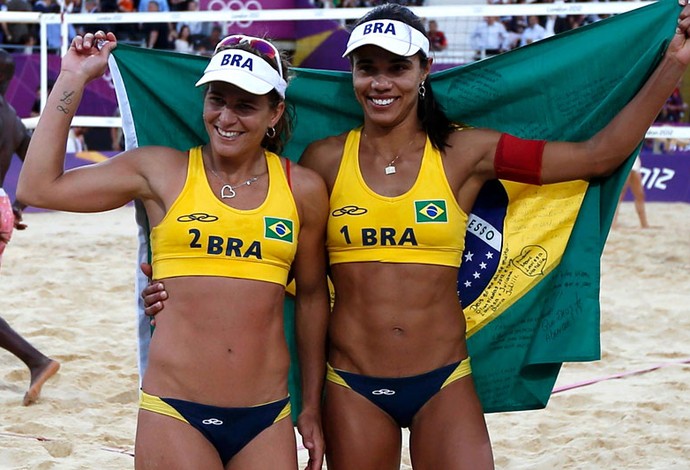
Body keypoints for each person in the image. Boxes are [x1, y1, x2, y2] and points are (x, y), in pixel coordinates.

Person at [143, 2, 690, 468]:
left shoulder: (465, 152)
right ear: (352, 74)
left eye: (396, 67)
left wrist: (673, 63)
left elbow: (597, 157)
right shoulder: (324, 161)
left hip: (444, 380)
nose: (380, 82)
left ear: (425, 69)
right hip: (351, 386)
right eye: (366, 68)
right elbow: (254, 233)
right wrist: (172, 282)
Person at [17, 31, 329, 469]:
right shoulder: (161, 171)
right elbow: (38, 187)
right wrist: (72, 76)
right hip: (175, 410)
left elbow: (313, 297)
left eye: (245, 105)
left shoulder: (304, 189)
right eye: (217, 99)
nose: (227, 117)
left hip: (268, 415)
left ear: (275, 111)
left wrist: (311, 406)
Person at [0, 49, 60, 406]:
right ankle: (37, 362)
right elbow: (36, 163)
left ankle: (37, 361)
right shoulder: (11, 118)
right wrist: (17, 205)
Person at [613, 153, 650, 229]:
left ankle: (644, 224)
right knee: (620, 194)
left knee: (640, 194)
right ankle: (613, 223)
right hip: (624, 156)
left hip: (634, 157)